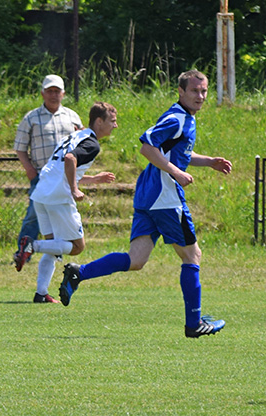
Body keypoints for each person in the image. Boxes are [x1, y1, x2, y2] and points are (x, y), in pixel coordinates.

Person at [59, 70, 232, 338]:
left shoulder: (182, 118)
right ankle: (194, 323)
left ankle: (79, 273)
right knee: (191, 255)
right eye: (195, 91)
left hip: (148, 195)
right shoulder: (176, 118)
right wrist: (176, 172)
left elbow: (175, 152)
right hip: (164, 197)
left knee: (136, 260)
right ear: (181, 91)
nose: (200, 96)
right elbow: (147, 146)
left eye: (204, 91)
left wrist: (208, 161)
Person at [15, 102, 118, 304]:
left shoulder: (76, 135)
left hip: (42, 192)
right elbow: (70, 159)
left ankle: (41, 293)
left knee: (55, 246)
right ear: (99, 121)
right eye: (112, 121)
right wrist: (74, 189)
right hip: (58, 197)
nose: (115, 126)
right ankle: (31, 246)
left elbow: (64, 167)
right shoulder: (92, 143)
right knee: (77, 247)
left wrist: (93, 179)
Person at [13, 74, 83, 254]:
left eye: (57, 91)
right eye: (50, 91)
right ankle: (23, 252)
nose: (53, 95)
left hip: (65, 177)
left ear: (63, 94)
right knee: (33, 216)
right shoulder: (31, 118)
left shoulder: (72, 117)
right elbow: (20, 147)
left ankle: (56, 252)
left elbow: (81, 145)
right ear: (42, 94)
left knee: (61, 216)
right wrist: (29, 169)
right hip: (42, 176)